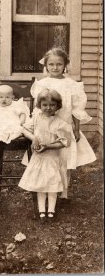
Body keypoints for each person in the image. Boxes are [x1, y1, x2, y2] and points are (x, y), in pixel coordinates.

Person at [29, 48, 96, 199]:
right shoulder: (42, 84)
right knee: (46, 159)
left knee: (65, 160)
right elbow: (37, 108)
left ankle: (63, 192)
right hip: (45, 128)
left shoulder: (72, 84)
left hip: (64, 127)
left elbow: (77, 109)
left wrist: (77, 129)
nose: (55, 67)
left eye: (59, 64)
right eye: (51, 64)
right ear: (46, 65)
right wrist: (36, 131)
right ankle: (45, 187)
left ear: (65, 65)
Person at [19, 89, 71, 221]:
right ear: (39, 105)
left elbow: (64, 142)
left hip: (52, 157)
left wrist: (47, 146)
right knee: (40, 184)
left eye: (52, 105)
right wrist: (34, 138)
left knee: (52, 183)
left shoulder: (60, 123)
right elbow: (24, 129)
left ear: (57, 106)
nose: (48, 108)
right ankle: (41, 210)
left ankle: (51, 210)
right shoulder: (36, 118)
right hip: (39, 157)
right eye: (45, 105)